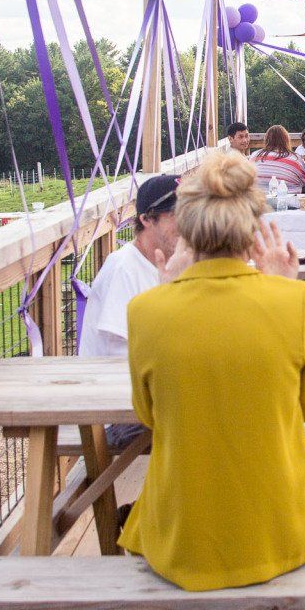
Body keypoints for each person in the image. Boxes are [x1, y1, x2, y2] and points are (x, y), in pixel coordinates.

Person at [121, 150, 305, 610]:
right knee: (298, 501)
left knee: (205, 491)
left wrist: (168, 290)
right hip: (277, 527)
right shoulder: (295, 301)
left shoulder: (146, 309)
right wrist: (284, 285)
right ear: (252, 228)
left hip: (182, 533)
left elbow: (148, 416)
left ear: (187, 229)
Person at [79, 175, 179, 450]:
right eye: (176, 214)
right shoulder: (123, 268)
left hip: (153, 400)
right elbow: (119, 363)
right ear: (147, 219)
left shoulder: (177, 262)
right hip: (119, 415)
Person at [250, 125, 305, 191]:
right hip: (290, 199)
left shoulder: (254, 156)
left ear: (266, 139)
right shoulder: (296, 159)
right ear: (286, 140)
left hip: (258, 199)